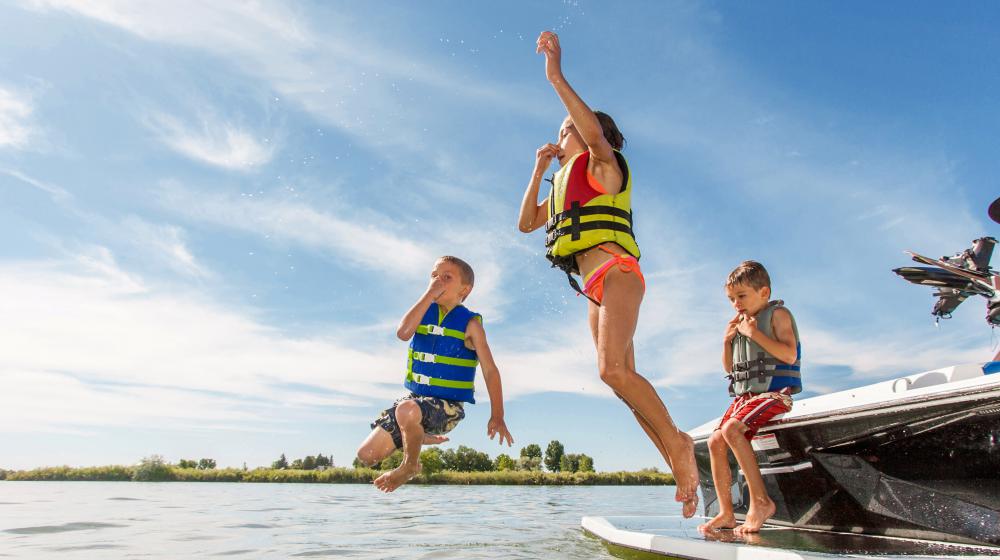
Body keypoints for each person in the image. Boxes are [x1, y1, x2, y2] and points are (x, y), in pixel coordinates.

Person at [516, 30, 699, 516]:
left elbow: (591, 134)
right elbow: (527, 223)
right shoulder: (563, 181)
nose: (559, 138)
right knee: (621, 381)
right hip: (595, 289)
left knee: (612, 369)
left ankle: (680, 446)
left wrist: (554, 74)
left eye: (564, 131)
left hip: (617, 272)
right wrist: (539, 170)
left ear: (589, 128)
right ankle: (679, 462)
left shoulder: (604, 166)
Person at [356, 256, 514, 492]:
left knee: (407, 410)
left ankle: (409, 466)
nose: (437, 281)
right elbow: (403, 333)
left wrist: (497, 415)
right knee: (366, 455)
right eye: (433, 276)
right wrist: (429, 295)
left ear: (465, 289)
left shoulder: (471, 325)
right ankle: (417, 436)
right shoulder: (423, 311)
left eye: (446, 277)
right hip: (413, 404)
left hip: (447, 408)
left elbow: (490, 371)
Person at [699, 261, 802, 534]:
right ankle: (727, 513)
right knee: (715, 441)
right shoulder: (739, 324)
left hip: (775, 394)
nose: (736, 304)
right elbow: (729, 369)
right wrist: (726, 341)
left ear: (764, 292)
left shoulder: (777, 315)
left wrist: (754, 333)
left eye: (741, 296)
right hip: (745, 398)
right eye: (731, 299)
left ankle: (760, 502)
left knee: (732, 429)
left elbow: (789, 355)